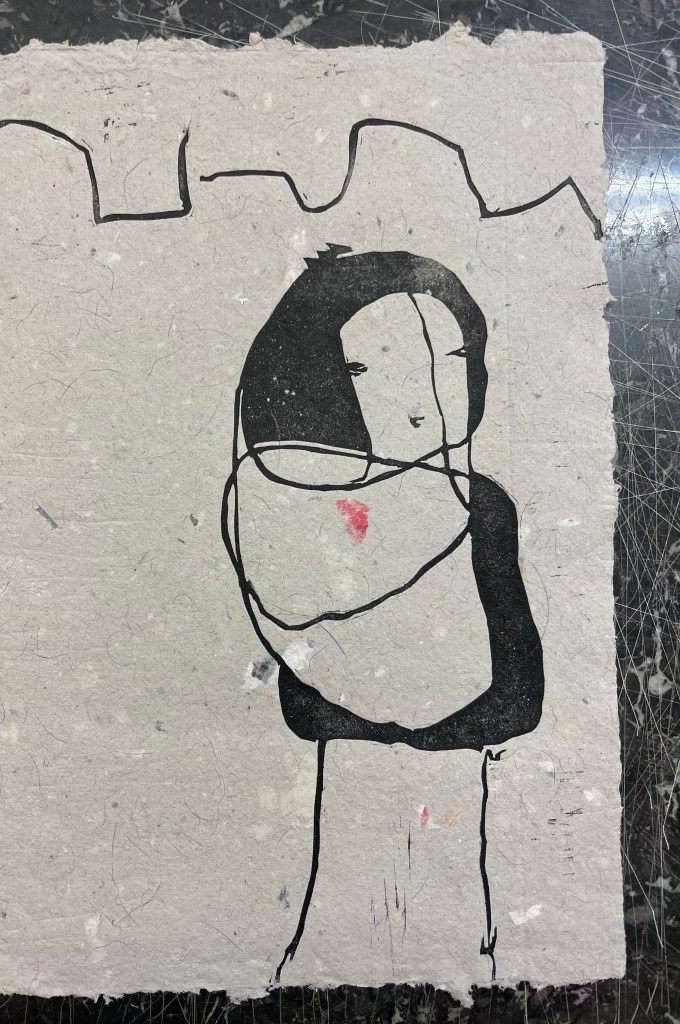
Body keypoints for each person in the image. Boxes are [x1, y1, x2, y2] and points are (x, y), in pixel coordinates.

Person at [222, 245, 544, 982]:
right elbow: (303, 678)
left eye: (448, 360)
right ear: (325, 383)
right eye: (373, 369)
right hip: (365, 787)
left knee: (448, 934)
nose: (424, 398)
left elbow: (518, 686)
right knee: (355, 925)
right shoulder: (292, 509)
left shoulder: (480, 506)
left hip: (446, 790)